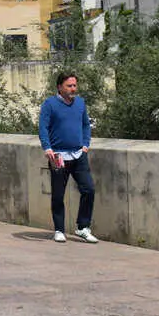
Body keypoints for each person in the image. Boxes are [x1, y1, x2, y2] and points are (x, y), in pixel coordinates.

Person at [40, 72, 97, 244]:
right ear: (59, 87)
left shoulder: (80, 103)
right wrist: (47, 148)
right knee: (58, 194)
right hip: (58, 156)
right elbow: (43, 128)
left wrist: (86, 144)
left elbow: (85, 125)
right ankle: (59, 229)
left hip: (79, 155)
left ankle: (82, 227)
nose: (73, 89)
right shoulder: (50, 104)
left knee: (89, 190)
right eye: (69, 86)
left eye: (74, 85)